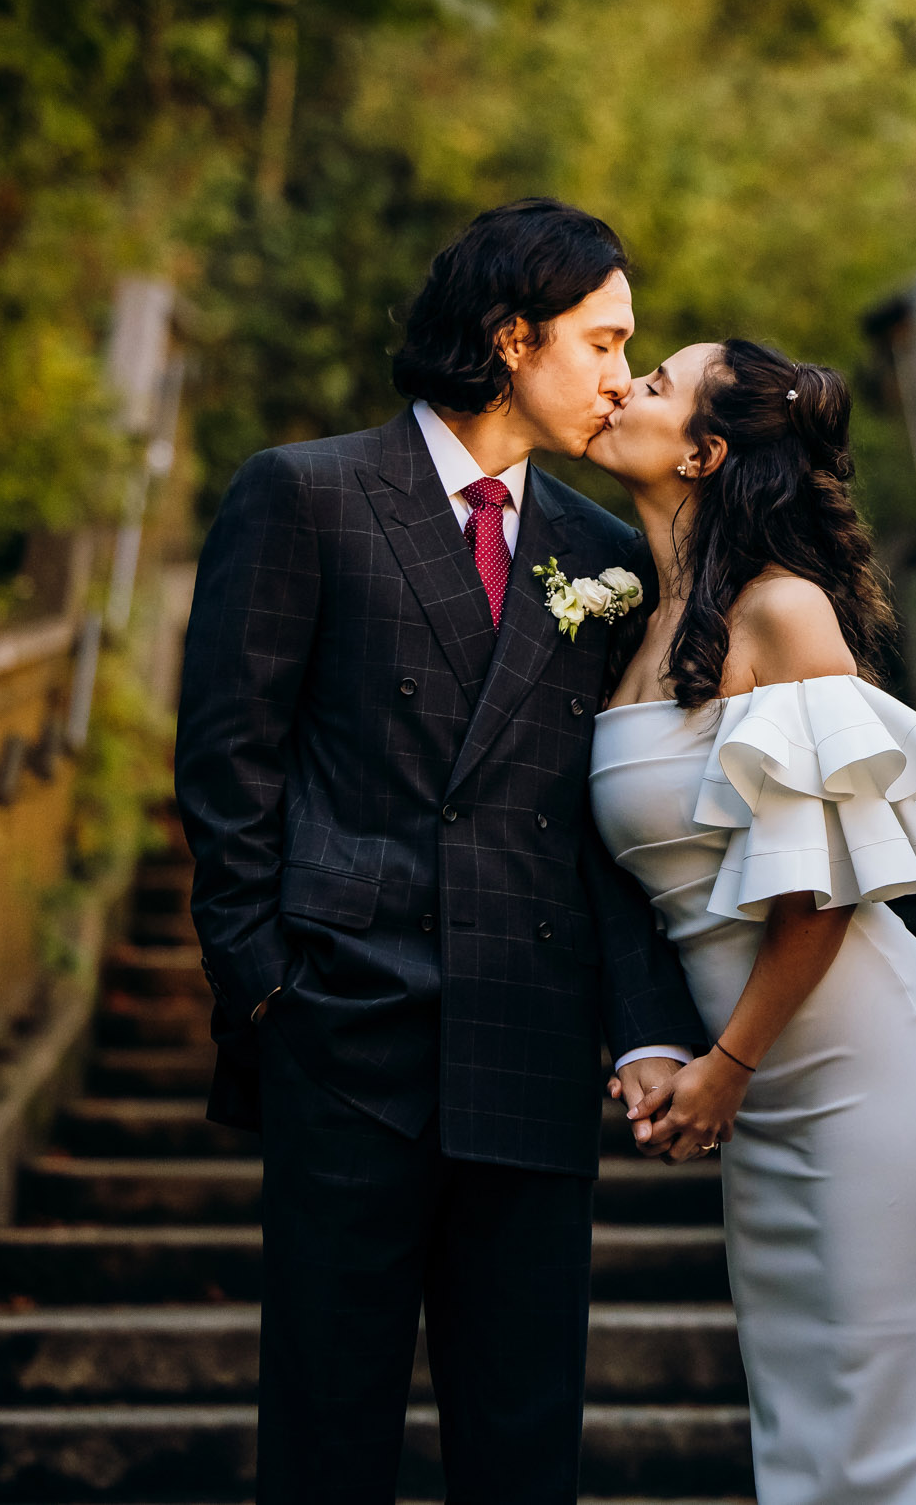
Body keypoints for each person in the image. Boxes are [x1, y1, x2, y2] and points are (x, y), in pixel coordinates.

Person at [173, 198, 708, 1505]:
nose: (622, 374)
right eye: (600, 340)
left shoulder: (598, 549)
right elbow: (227, 760)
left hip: (529, 1037)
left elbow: (603, 822)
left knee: (524, 1443)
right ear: (510, 335)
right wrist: (264, 980)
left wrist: (643, 1028)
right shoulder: (304, 493)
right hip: (346, 1029)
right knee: (327, 1432)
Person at [586, 338, 916, 1504]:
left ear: (705, 451)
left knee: (882, 1431)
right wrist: (677, 1051)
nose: (625, 387)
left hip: (856, 1064)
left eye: (657, 383)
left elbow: (823, 882)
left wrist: (728, 1062)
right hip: (760, 1071)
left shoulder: (784, 613)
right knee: (807, 1422)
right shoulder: (637, 612)